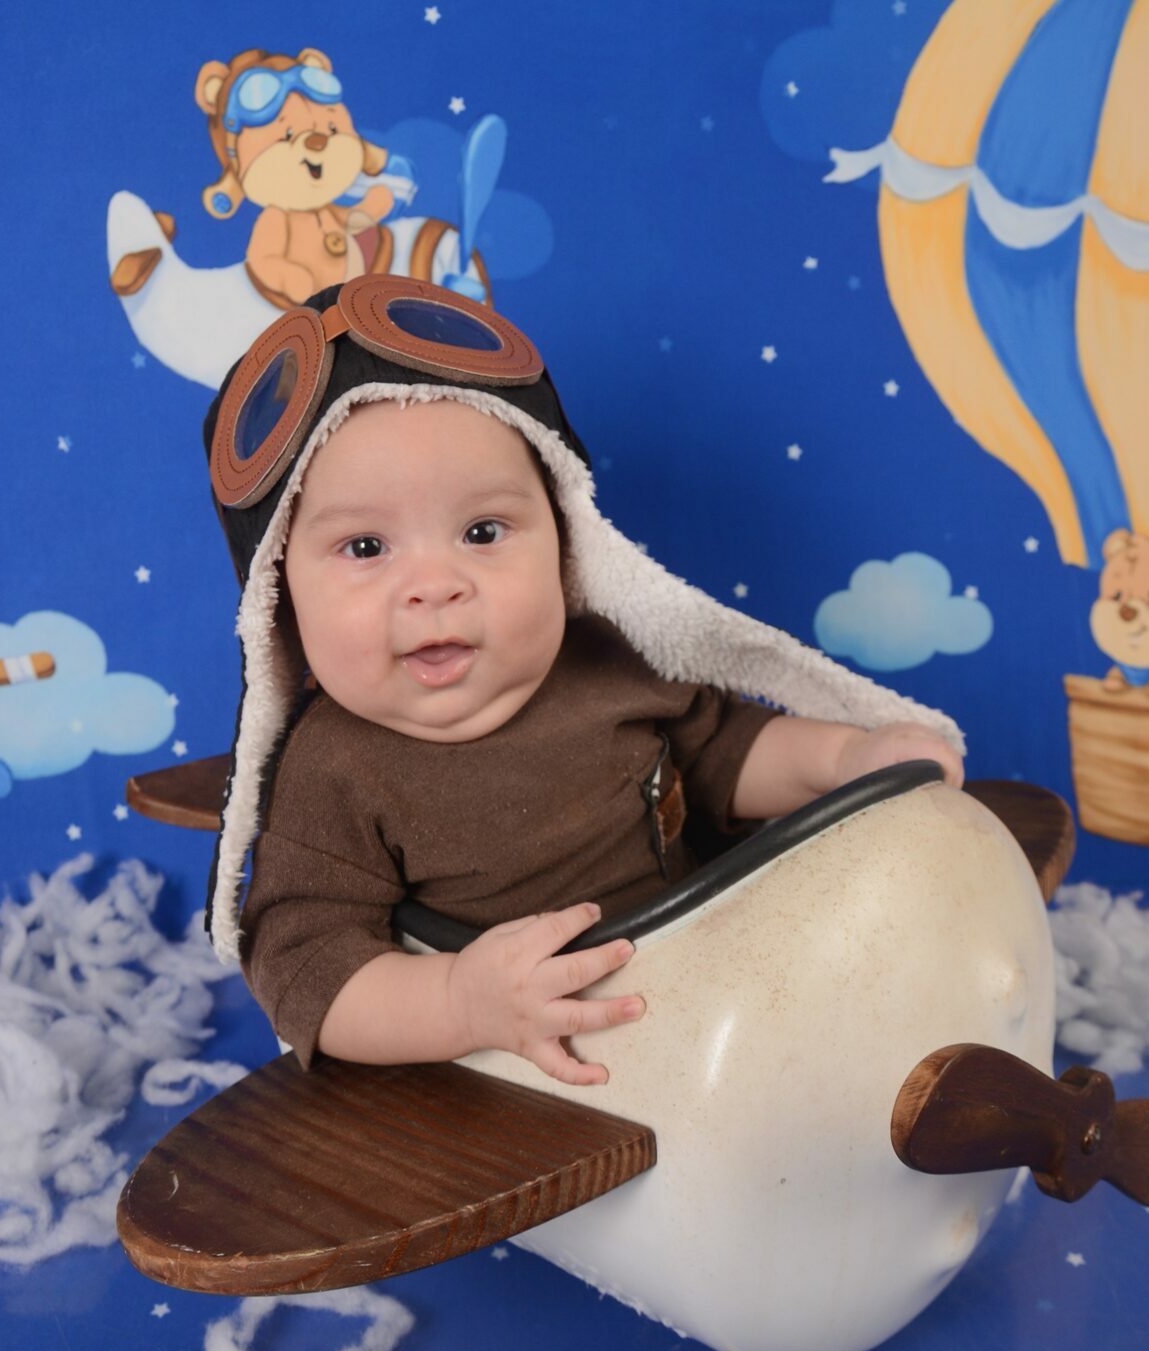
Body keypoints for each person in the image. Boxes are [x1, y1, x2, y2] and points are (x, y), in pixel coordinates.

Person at [200, 275, 966, 1085]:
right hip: (543, 1077)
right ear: (281, 603)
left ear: (567, 543)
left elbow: (725, 752)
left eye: (483, 531)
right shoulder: (334, 772)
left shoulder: (604, 660)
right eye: (365, 548)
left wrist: (845, 758)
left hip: (719, 988)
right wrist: (460, 1001)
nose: (435, 586)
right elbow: (305, 969)